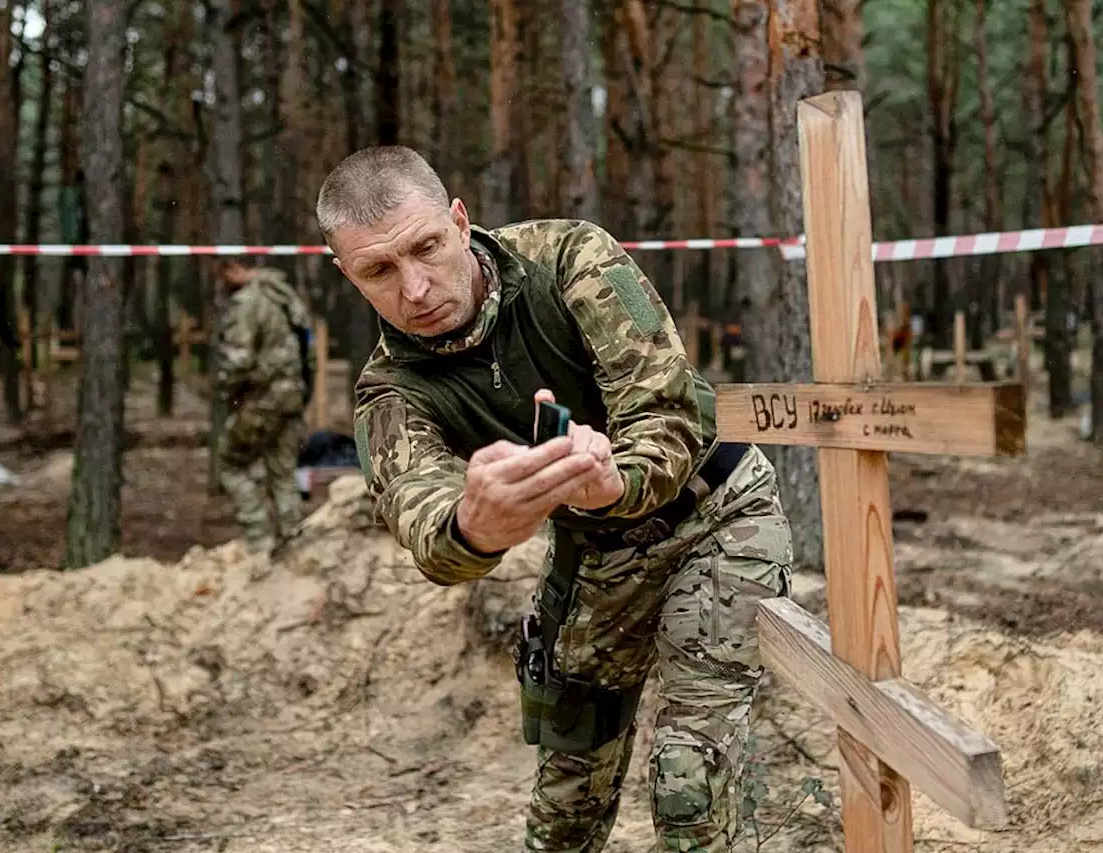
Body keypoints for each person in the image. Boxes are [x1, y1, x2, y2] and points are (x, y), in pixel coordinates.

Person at [322, 145, 794, 852]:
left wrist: (616, 483)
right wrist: (472, 527)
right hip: (598, 553)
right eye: (379, 271)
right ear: (345, 274)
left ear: (459, 221)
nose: (415, 289)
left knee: (687, 781)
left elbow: (667, 413)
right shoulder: (389, 391)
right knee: (565, 799)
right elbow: (425, 520)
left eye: (425, 248)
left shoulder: (568, 257)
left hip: (715, 512)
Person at [213, 257, 313, 555]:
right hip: (291, 397)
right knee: (283, 473)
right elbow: (308, 346)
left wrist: (226, 390)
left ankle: (259, 539)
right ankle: (294, 544)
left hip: (262, 400)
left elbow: (238, 361)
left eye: (223, 272)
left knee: (229, 464)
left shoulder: (248, 302)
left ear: (234, 268)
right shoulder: (283, 294)